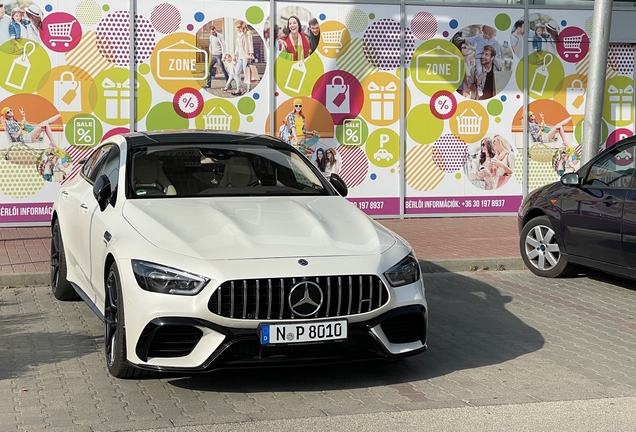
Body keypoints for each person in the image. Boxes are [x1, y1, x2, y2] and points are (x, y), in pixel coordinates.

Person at [460, 25, 502, 98]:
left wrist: (498, 56)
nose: (486, 35)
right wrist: (464, 39)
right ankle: (480, 88)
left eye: (488, 34)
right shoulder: (480, 37)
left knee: (498, 65)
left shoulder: (494, 42)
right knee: (479, 71)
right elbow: (472, 39)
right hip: (478, 58)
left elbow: (498, 52)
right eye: (485, 33)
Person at [233, 20, 254, 96]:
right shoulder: (238, 35)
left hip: (246, 56)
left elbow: (250, 44)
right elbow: (237, 46)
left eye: (238, 27)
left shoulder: (248, 33)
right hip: (240, 57)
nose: (237, 29)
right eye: (236, 27)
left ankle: (249, 90)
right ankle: (240, 88)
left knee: (246, 74)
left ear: (242, 26)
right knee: (236, 73)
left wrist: (251, 54)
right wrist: (235, 55)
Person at [452, 32, 476, 99]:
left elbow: (482, 52)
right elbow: (468, 74)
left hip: (469, 86)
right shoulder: (457, 61)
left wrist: (470, 47)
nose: (467, 48)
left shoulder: (469, 57)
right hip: (462, 87)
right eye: (464, 47)